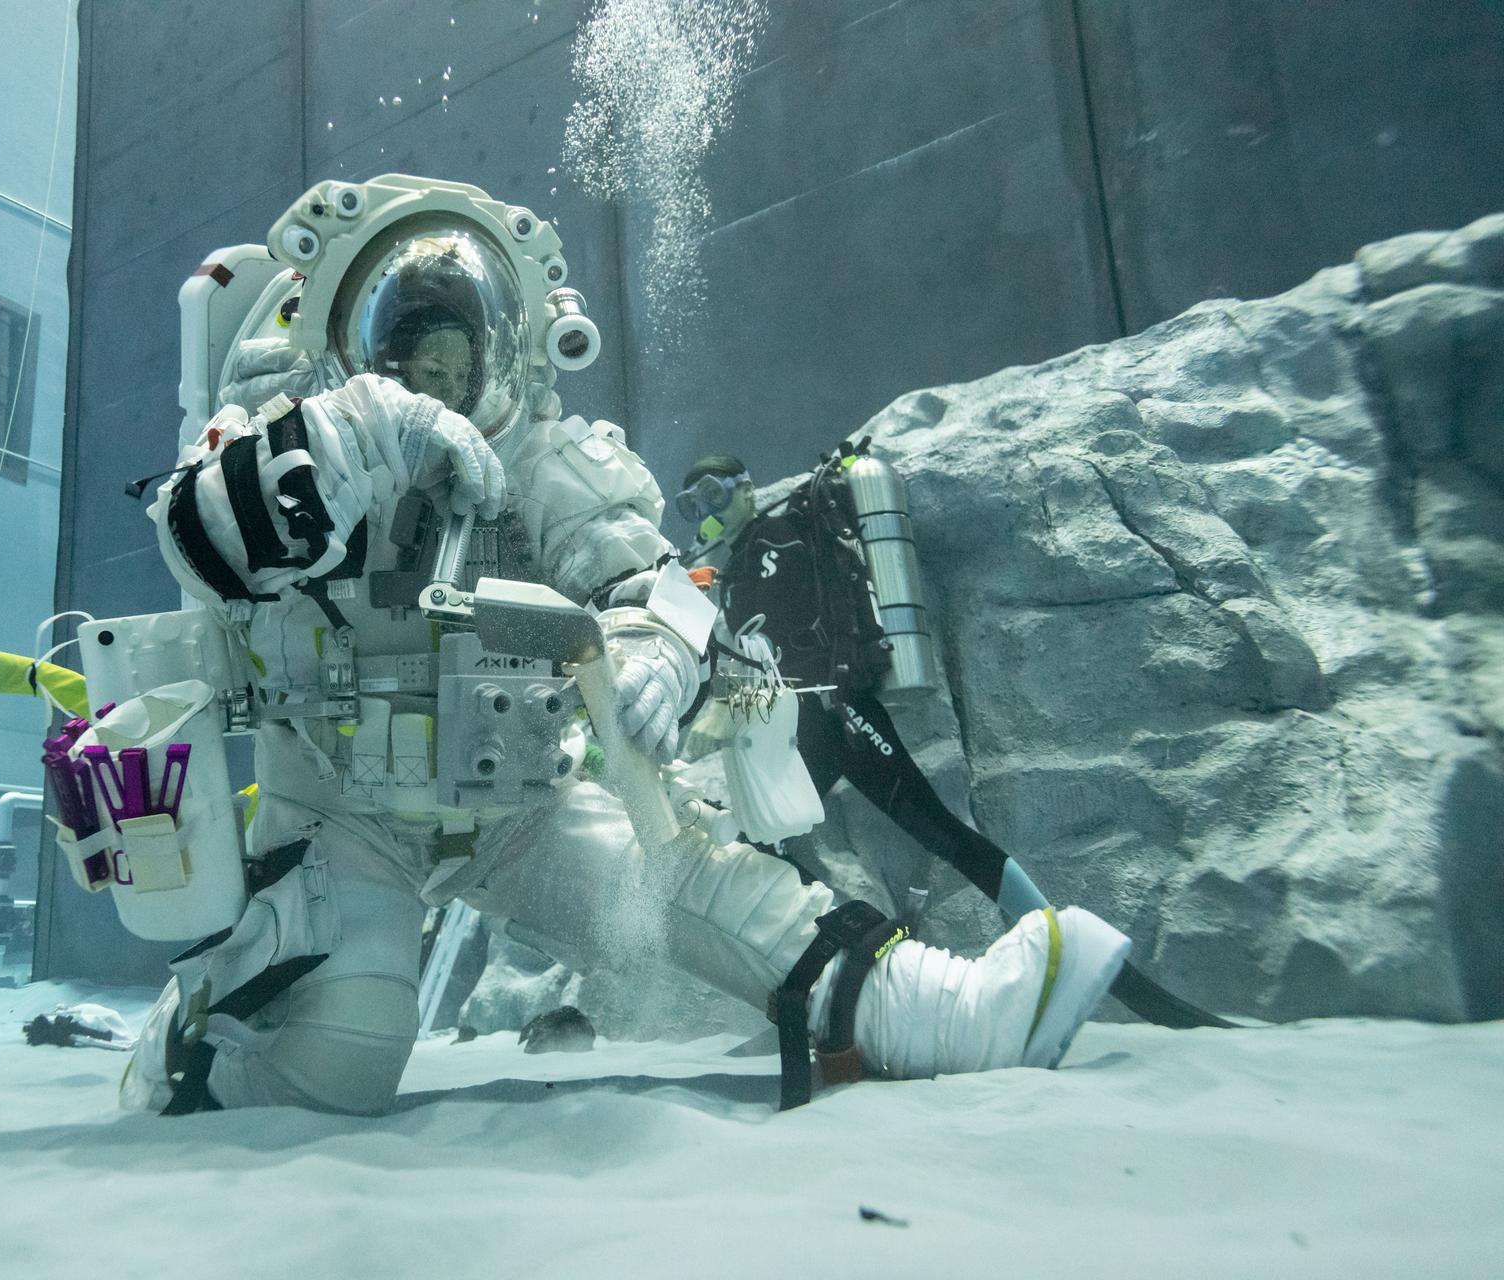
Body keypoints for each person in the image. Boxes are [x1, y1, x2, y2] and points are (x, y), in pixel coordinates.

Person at [114, 175, 1131, 1116]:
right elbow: (199, 536)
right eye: (416, 359)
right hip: (341, 810)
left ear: (501, 355)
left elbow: (656, 583)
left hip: (514, 797)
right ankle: (180, 1047)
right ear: (367, 347)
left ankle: (940, 1009)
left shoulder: (540, 457)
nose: (441, 379)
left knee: (686, 876)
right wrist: (364, 435)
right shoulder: (284, 429)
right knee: (344, 1049)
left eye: (457, 360)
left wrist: (654, 658)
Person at [678, 448, 1229, 1031]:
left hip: (834, 714)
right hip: (806, 726)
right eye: (692, 505)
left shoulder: (774, 543)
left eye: (714, 495)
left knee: (936, 832)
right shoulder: (738, 565)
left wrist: (735, 692)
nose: (704, 515)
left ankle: (1083, 963)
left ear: (745, 488)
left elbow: (785, 652)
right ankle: (855, 964)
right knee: (772, 844)